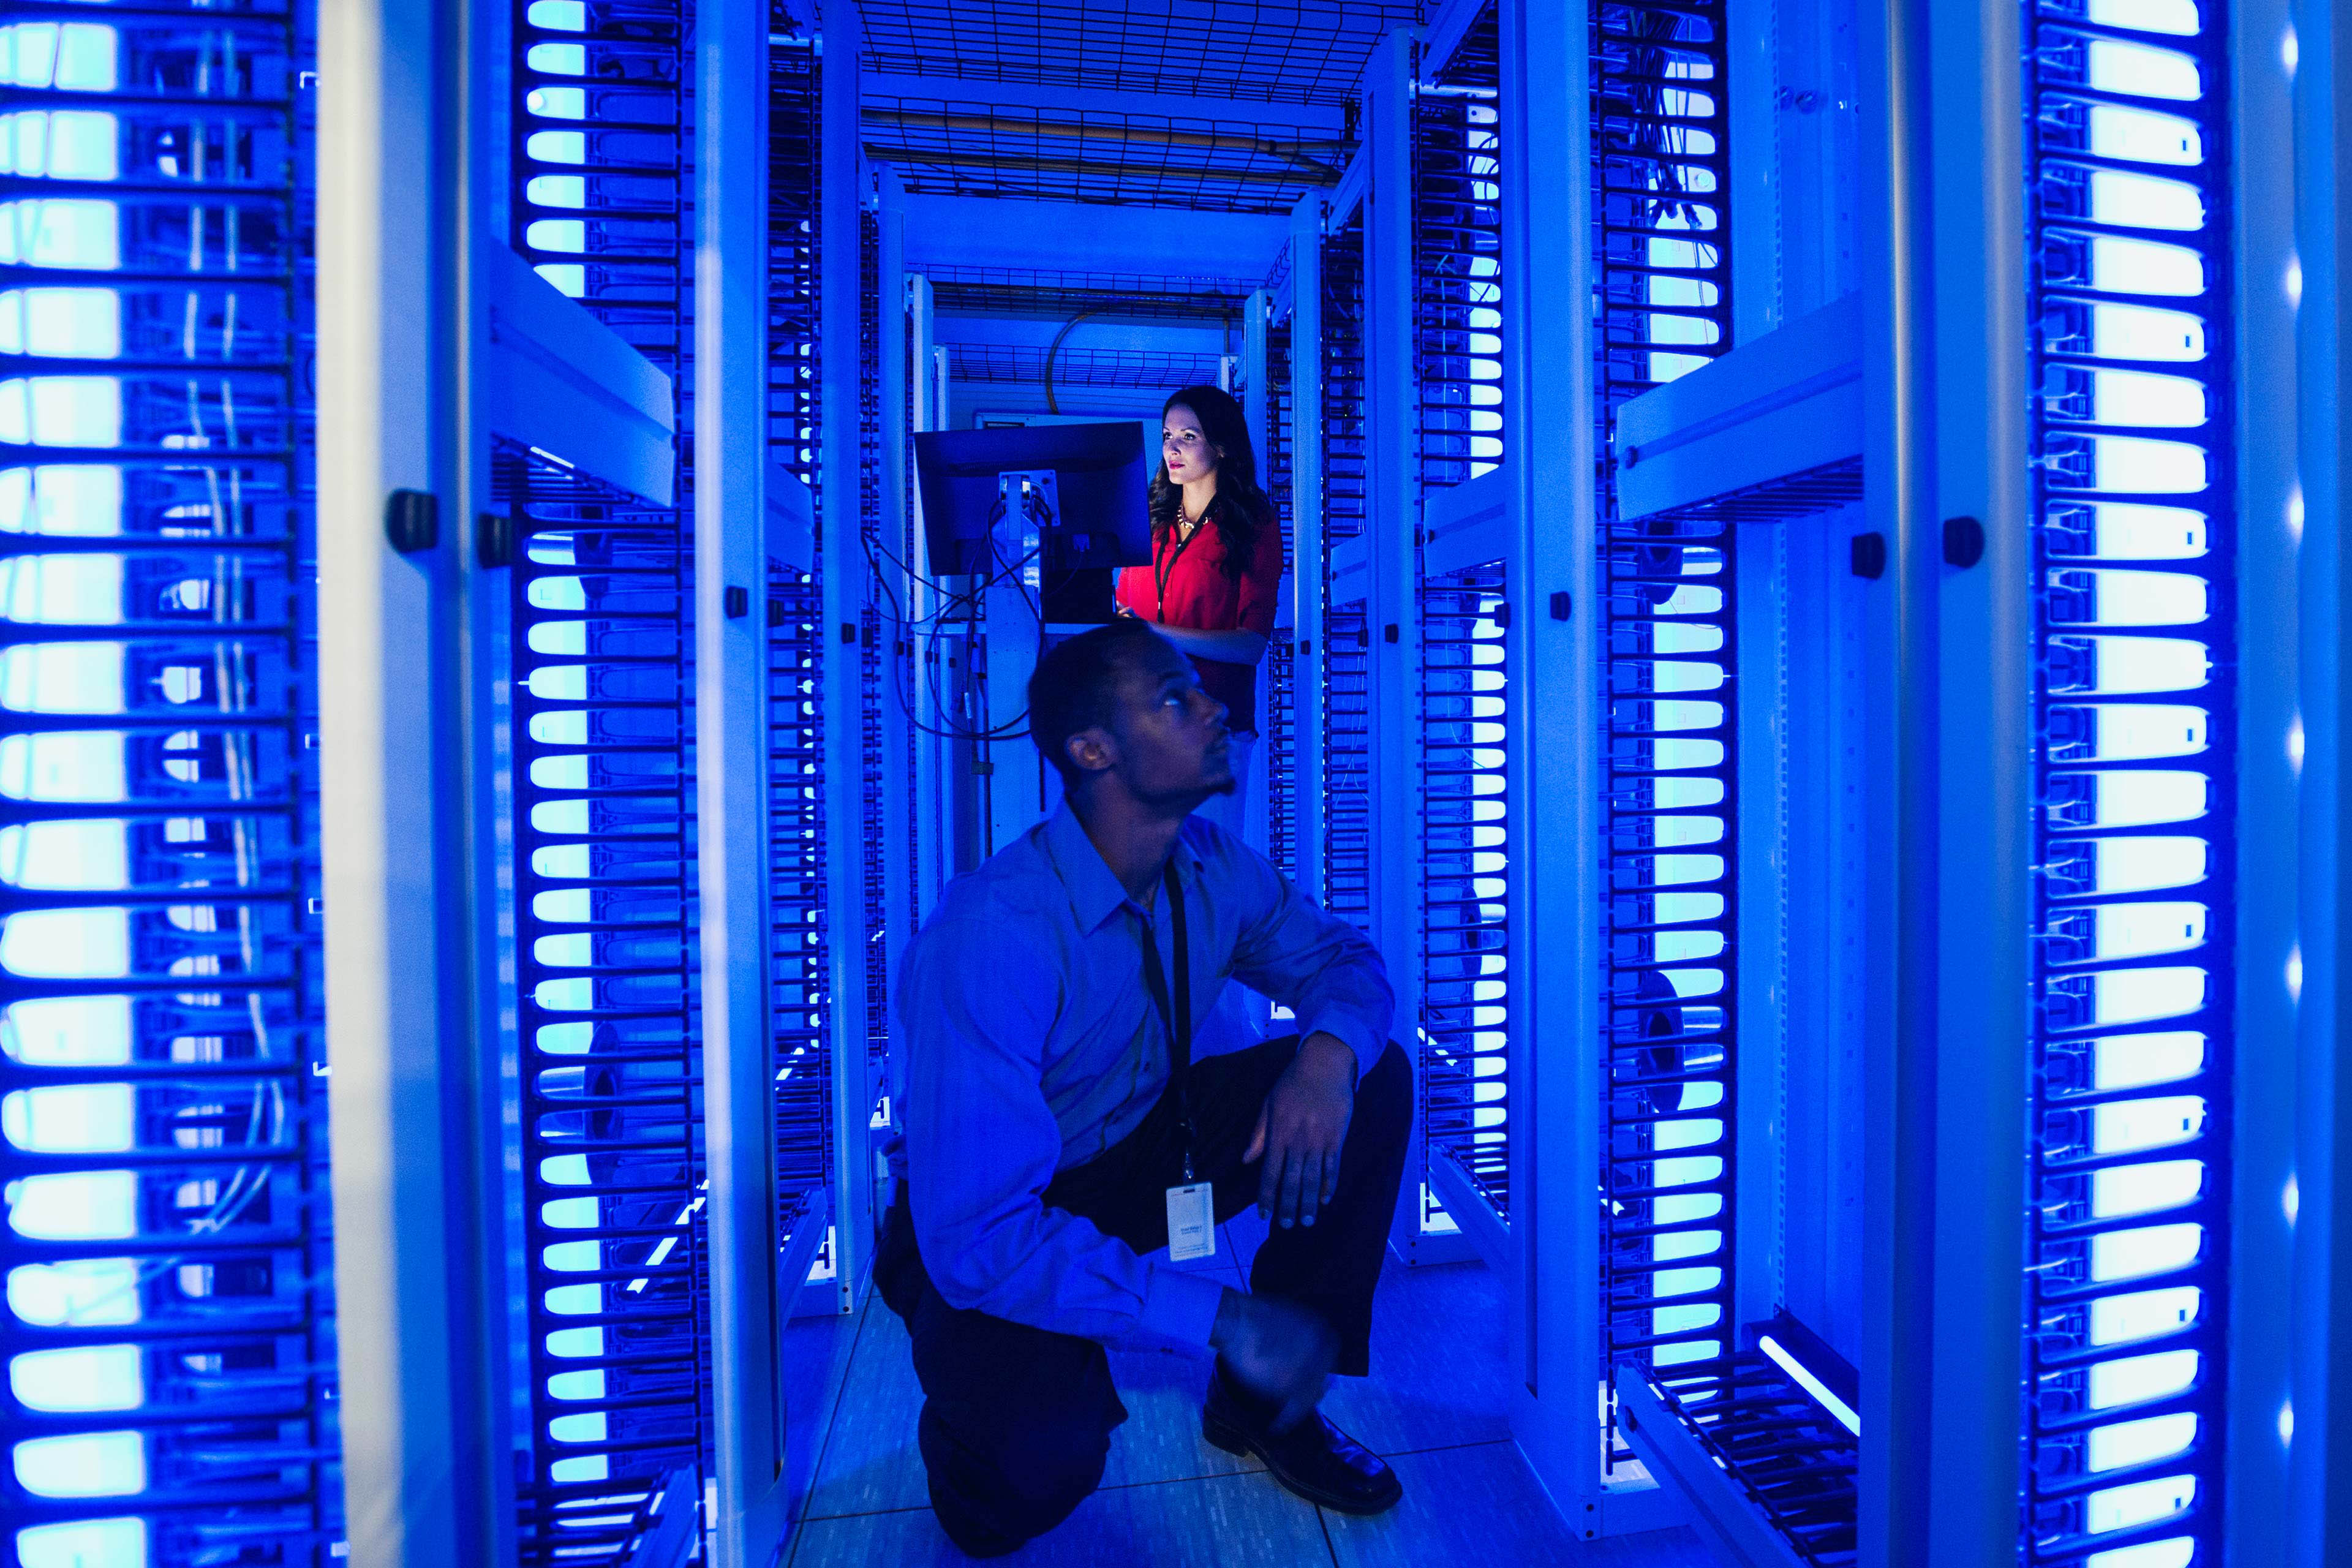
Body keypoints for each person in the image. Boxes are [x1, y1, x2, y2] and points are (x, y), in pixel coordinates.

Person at [881, 618, 1411, 1558]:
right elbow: (981, 1236)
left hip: (1137, 1153)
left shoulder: (1210, 862)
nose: (1216, 709)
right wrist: (1222, 1315)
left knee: (1372, 1079)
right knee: (1037, 1460)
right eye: (1176, 697)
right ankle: (972, 1412)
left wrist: (1324, 1061)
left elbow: (1344, 964)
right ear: (1093, 751)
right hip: (993, 1215)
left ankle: (1264, 1410)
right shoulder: (994, 932)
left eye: (1203, 692)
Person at [1113, 385, 1284, 840]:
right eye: (1168, 435)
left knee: (1205, 880)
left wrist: (1153, 632)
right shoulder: (1150, 520)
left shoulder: (1253, 524)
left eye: (1188, 436)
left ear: (1222, 446)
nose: (1171, 447)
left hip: (1214, 729)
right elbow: (1122, 610)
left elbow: (1250, 645)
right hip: (1144, 727)